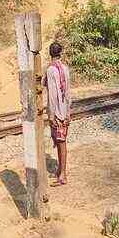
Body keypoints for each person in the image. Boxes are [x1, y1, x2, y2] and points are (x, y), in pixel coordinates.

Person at [43, 42, 72, 187]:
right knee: (61, 141)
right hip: (64, 110)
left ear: (50, 53)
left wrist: (51, 115)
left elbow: (52, 94)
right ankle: (61, 170)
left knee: (61, 143)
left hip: (57, 112)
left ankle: (62, 175)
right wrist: (68, 112)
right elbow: (68, 92)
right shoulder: (65, 68)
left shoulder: (50, 70)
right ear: (60, 52)